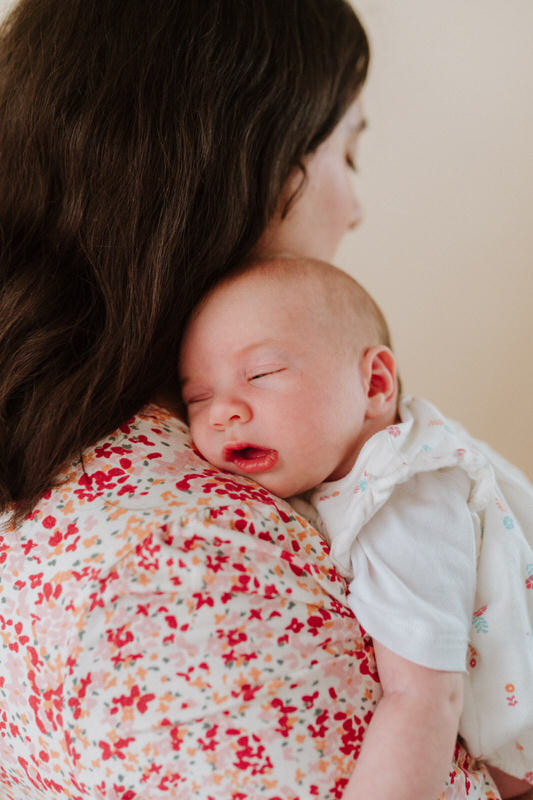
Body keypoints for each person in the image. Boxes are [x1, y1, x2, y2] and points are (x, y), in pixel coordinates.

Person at [0, 0, 501, 797]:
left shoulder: (89, 469)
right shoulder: (179, 556)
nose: (356, 208)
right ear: (256, 168)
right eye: (347, 154)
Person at [179, 256, 533, 800]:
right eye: (196, 398)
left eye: (262, 374)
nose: (222, 410)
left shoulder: (402, 496)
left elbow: (423, 698)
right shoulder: (352, 465)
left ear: (373, 384)